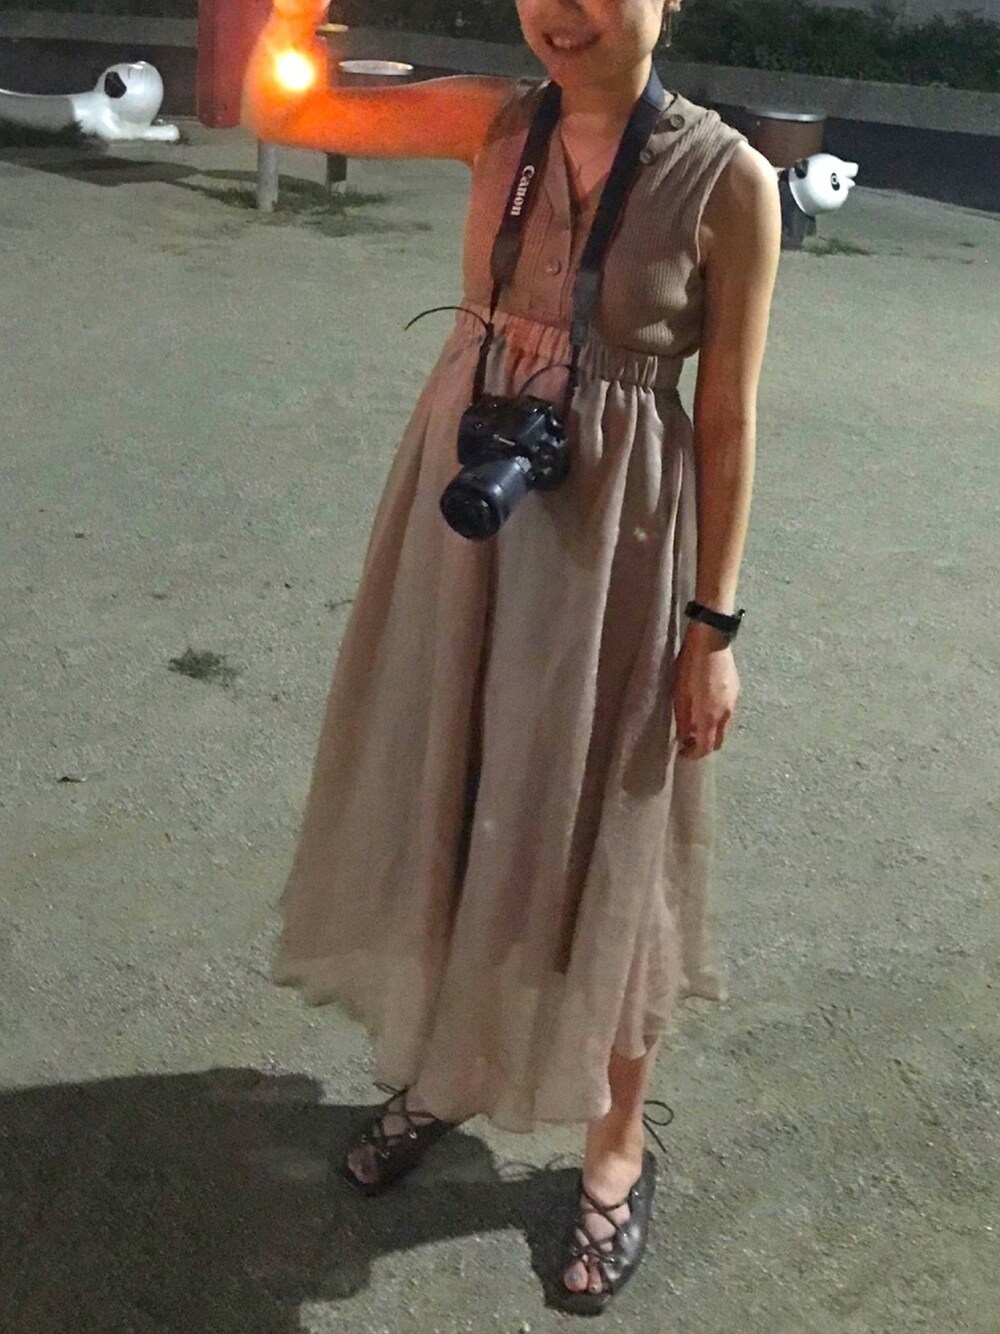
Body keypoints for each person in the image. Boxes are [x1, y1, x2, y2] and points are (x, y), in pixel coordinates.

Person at [243, 0, 781, 1314]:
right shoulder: (493, 124)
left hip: (614, 549)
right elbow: (281, 106)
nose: (562, 11)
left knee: (603, 829)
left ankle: (616, 1144)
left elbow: (726, 415)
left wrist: (711, 629)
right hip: (466, 517)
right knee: (455, 782)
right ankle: (451, 1069)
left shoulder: (730, 181)